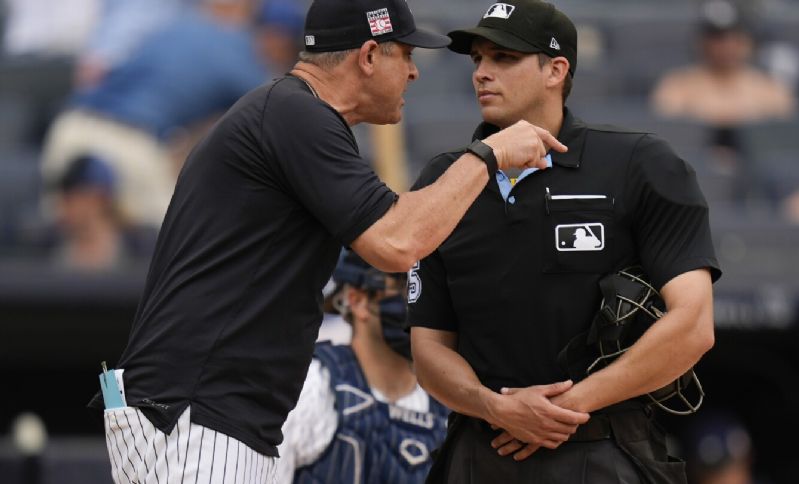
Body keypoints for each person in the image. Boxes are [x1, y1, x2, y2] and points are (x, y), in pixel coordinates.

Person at [94, 0, 565, 481]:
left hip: (206, 410)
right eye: (405, 54)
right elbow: (397, 242)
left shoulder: (292, 114)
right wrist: (489, 154)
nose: (414, 73)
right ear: (367, 56)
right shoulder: (295, 113)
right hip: (198, 411)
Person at [407, 1, 721, 483]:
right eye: (477, 60)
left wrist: (563, 409)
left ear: (556, 69)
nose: (482, 74)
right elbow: (428, 348)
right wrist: (496, 408)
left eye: (503, 58)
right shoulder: (443, 179)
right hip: (479, 449)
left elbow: (694, 324)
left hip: (602, 447)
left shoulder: (640, 164)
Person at [40, 0, 297, 228]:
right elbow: (283, 110)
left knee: (56, 244)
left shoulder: (178, 25)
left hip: (69, 129)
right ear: (271, 35)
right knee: (173, 242)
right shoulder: (240, 52)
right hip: (126, 142)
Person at [276, 250, 447, 483]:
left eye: (421, 290)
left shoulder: (447, 403)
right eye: (404, 288)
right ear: (357, 301)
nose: (415, 302)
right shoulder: (313, 388)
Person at [650, 0, 795, 128]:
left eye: (734, 39)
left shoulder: (770, 88)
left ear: (748, 42)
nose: (726, 47)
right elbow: (667, 128)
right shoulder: (676, 86)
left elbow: (784, 132)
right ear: (701, 43)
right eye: (717, 39)